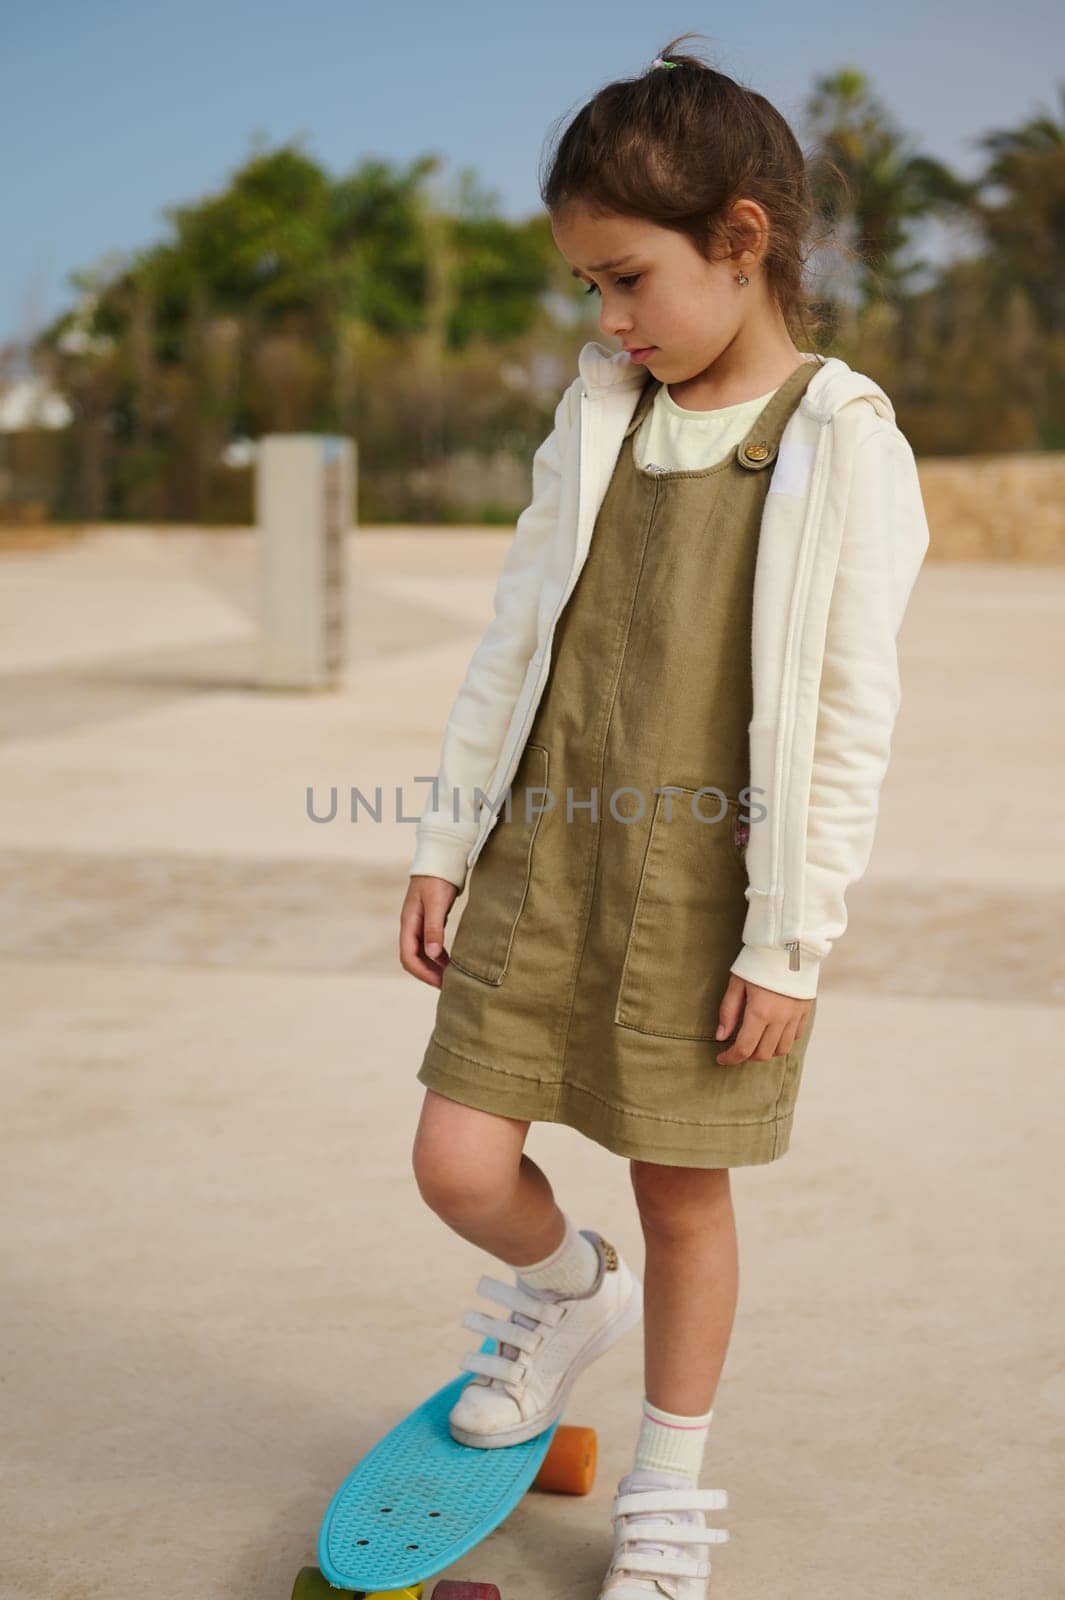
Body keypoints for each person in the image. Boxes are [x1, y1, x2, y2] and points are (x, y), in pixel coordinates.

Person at [399, 35, 930, 1598]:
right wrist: (442, 840)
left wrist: (792, 942)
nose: (613, 321)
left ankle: (668, 1485)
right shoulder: (597, 418)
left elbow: (845, 718)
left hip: (714, 895)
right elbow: (513, 644)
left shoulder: (841, 438)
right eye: (590, 292)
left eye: (626, 279)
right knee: (453, 1161)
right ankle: (563, 1295)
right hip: (547, 862)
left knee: (681, 1195)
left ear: (740, 240)